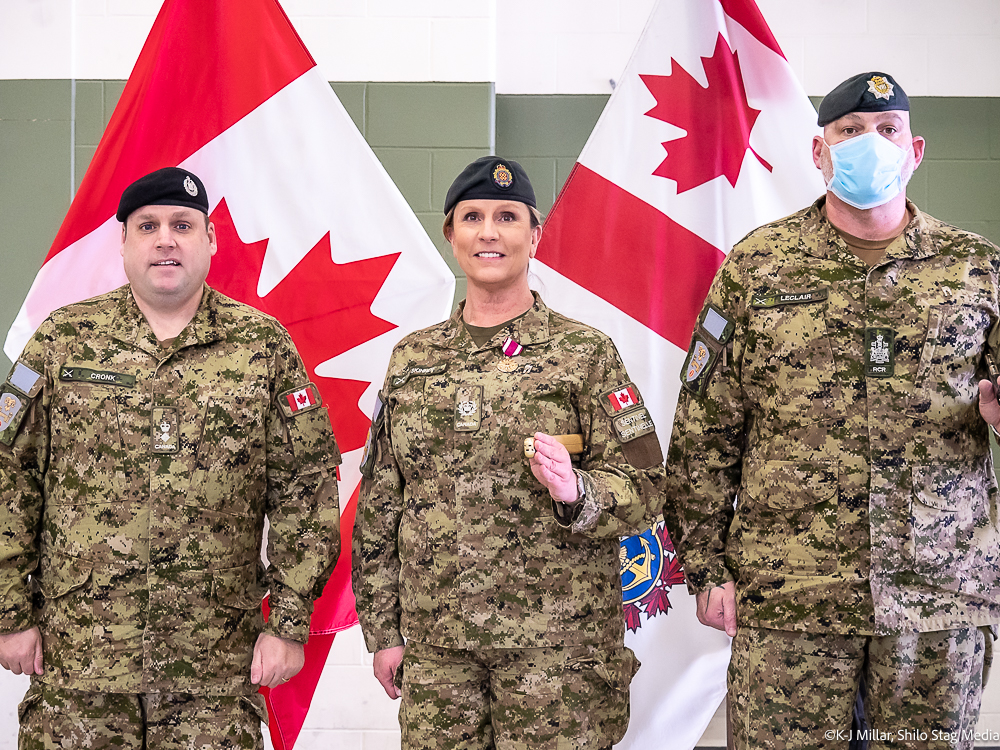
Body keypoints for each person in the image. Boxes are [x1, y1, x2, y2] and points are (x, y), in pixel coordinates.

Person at [663, 70, 1000, 749]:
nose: (868, 143)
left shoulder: (978, 269)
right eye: (848, 131)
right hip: (789, 597)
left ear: (915, 150)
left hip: (937, 597)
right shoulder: (759, 266)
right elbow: (705, 426)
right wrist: (706, 566)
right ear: (819, 152)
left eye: (887, 130)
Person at [0, 167, 342, 748]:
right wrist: (10, 611)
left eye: (183, 225)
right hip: (80, 670)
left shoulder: (263, 347)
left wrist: (287, 624)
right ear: (125, 242)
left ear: (210, 240)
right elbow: (11, 475)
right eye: (148, 226)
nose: (166, 239)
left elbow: (305, 490)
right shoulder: (65, 340)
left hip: (212, 676)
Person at [352, 156, 665, 749]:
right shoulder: (414, 360)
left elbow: (647, 486)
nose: (488, 232)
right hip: (439, 649)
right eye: (472, 218)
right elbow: (381, 504)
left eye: (507, 217)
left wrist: (580, 492)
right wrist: (384, 629)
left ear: (534, 234)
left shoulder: (584, 354)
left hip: (559, 652)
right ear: (451, 235)